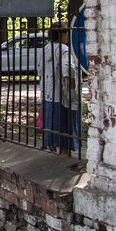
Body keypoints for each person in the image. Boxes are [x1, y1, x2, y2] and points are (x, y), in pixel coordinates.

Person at [37, 23, 82, 153]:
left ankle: (52, 147)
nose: (68, 36)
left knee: (52, 126)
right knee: (65, 131)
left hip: (48, 95)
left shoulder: (45, 49)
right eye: (67, 33)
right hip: (62, 97)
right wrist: (72, 92)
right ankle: (64, 155)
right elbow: (68, 71)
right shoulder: (63, 49)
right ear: (62, 34)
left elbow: (40, 71)